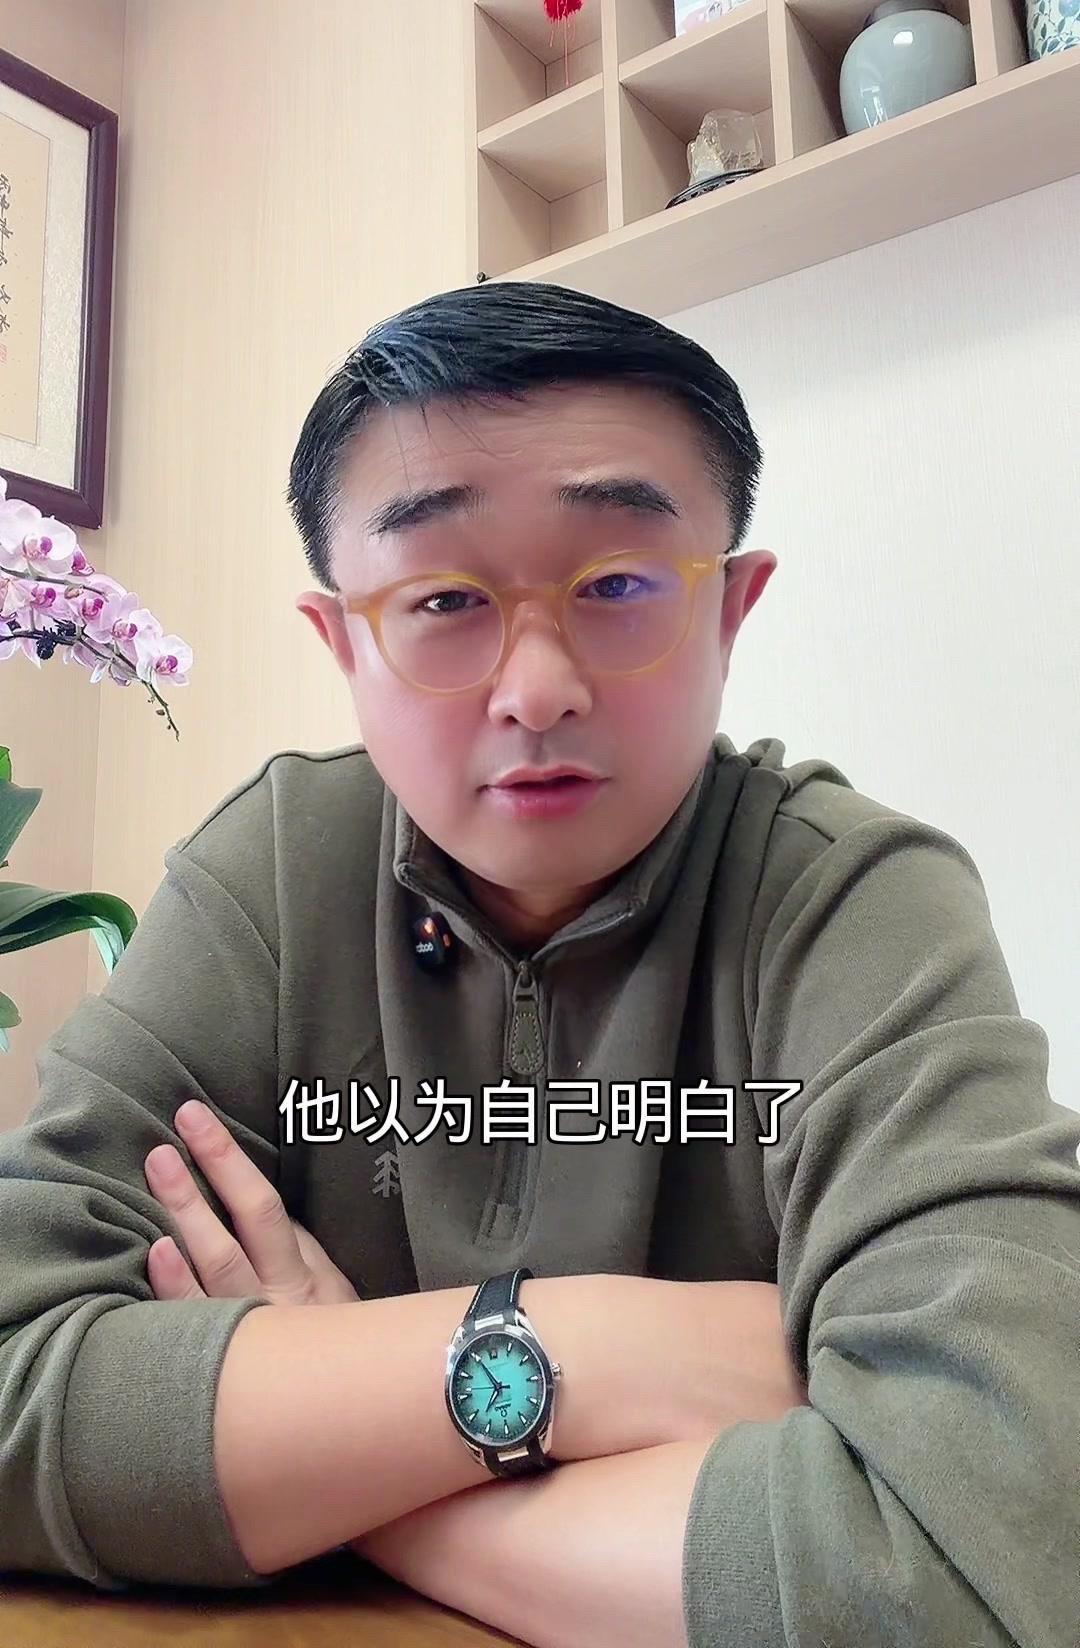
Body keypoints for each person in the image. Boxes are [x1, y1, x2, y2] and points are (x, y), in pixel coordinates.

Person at [0, 283, 1077, 1648]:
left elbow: (990, 1556)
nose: (536, 688)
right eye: (445, 598)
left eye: (619, 584)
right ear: (343, 642)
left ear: (731, 610)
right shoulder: (270, 874)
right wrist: (599, 1356)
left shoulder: (853, 899)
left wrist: (347, 1453)